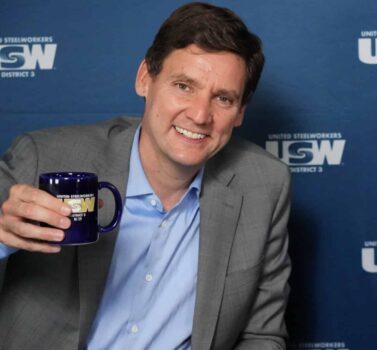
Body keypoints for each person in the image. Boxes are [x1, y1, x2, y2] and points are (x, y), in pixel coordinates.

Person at [0, 3, 290, 349]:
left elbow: (262, 336)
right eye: (184, 86)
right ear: (144, 79)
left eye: (223, 98)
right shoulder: (45, 158)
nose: (200, 115)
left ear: (240, 112)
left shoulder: (263, 185)